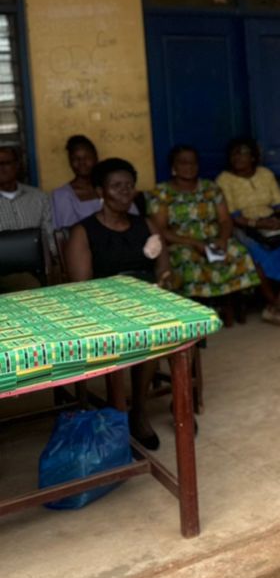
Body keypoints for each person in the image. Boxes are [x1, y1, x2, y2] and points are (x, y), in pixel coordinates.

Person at [64, 157, 172, 449]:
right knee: (147, 331)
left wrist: (163, 281)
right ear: (101, 191)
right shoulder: (83, 231)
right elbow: (82, 289)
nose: (125, 191)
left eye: (129, 185)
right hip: (106, 309)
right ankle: (130, 411)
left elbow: (164, 266)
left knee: (162, 328)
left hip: (148, 302)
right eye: (116, 186)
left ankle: (145, 408)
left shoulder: (145, 223)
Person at [215, 138, 280, 327]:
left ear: (253, 157)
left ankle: (279, 304)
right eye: (234, 154)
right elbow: (232, 215)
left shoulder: (265, 174)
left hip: (271, 224)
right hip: (244, 227)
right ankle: (276, 305)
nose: (237, 157)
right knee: (256, 258)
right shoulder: (224, 179)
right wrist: (258, 223)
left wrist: (279, 220)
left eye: (242, 153)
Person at [147, 145, 259, 308]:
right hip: (181, 243)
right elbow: (160, 230)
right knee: (186, 260)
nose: (189, 167)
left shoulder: (210, 188)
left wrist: (222, 239)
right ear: (173, 167)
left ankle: (228, 306)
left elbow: (225, 220)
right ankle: (196, 309)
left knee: (239, 252)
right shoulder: (161, 193)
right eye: (183, 163)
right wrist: (194, 243)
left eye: (193, 162)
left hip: (212, 240)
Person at [0, 144, 54, 288]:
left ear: (17, 165)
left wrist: (51, 264)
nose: (1, 168)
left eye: (6, 163)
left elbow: (48, 236)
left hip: (38, 268)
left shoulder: (38, 197)